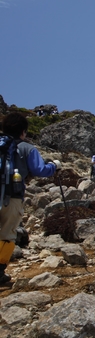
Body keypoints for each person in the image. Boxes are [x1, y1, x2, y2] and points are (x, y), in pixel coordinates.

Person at [0, 113, 61, 285]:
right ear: (23, 132)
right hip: (12, 197)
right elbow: (40, 170)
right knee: (7, 234)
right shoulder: (27, 148)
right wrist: (54, 166)